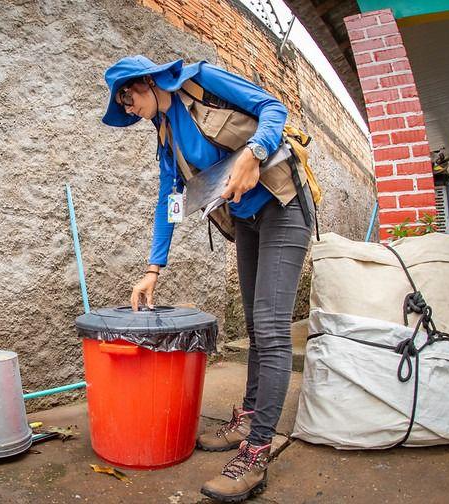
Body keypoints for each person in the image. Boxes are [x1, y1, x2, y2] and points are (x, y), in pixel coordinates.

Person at [101, 55, 314, 502]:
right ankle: (251, 418)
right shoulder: (165, 136)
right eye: (121, 102)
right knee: (258, 328)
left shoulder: (201, 82)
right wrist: (152, 269)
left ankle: (257, 453)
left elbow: (273, 108)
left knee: (273, 329)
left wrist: (255, 153)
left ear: (150, 82)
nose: (128, 106)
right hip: (247, 220)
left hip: (283, 203)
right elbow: (170, 200)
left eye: (129, 95)